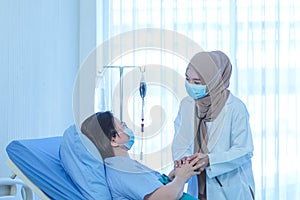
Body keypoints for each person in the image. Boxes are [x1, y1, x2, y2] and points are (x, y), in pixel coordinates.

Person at [171, 50, 255, 200]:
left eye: (197, 83)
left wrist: (210, 160)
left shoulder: (235, 108)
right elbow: (181, 141)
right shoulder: (187, 105)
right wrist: (184, 161)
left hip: (230, 189)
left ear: (214, 81)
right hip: (197, 186)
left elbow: (244, 150)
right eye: (187, 79)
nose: (190, 86)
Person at [80, 111, 202, 200]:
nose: (127, 127)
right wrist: (181, 177)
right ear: (113, 140)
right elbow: (163, 198)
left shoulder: (122, 166)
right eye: (123, 126)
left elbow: (154, 190)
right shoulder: (122, 170)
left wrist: (171, 179)